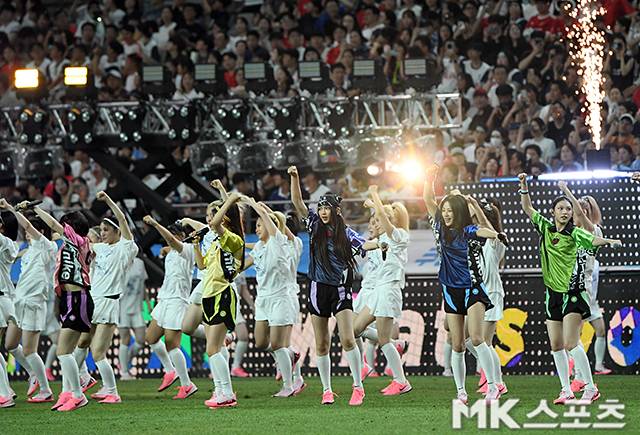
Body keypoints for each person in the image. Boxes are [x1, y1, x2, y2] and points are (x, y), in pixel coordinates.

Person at [517, 174, 622, 404]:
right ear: (553, 212)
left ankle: (591, 387)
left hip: (574, 293)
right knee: (556, 344)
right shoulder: (545, 228)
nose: (565, 212)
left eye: (568, 209)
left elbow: (592, 239)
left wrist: (609, 242)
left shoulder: (575, 233)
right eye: (560, 208)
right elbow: (527, 208)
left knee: (571, 343)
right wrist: (524, 186)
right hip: (552, 294)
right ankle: (566, 390)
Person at [423, 166, 509, 404]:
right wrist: (429, 178)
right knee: (458, 344)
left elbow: (482, 230)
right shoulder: (439, 227)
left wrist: (496, 235)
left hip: (473, 288)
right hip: (450, 290)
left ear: (458, 212)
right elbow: (428, 199)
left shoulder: (468, 230)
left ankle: (493, 386)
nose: (446, 214)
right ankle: (461, 391)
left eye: (450, 210)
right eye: (444, 210)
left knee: (478, 339)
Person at [289, 165, 369, 406]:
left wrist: (381, 244)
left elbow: (365, 244)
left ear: (336, 210)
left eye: (327, 208)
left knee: (348, 339)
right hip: (318, 289)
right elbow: (297, 202)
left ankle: (358, 387)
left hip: (341, 289)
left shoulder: (346, 232)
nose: (323, 212)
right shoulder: (314, 225)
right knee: (321, 344)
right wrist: (295, 178)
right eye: (321, 208)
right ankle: (327, 390)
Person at [33, 206, 93, 412]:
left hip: (78, 298)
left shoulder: (79, 241)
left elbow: (52, 223)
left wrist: (36, 209)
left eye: (65, 225)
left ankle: (78, 395)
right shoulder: (73, 243)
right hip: (69, 298)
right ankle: (68, 392)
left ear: (72, 227)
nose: (61, 229)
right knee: (67, 351)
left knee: (63, 351)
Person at [354, 187, 412, 396]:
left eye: (381, 219)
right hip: (378, 291)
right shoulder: (380, 240)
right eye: (376, 220)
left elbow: (385, 224)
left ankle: (401, 381)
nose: (377, 223)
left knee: (384, 340)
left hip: (389, 291)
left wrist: (374, 197)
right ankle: (396, 346)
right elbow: (363, 246)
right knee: (354, 329)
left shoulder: (399, 235)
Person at [0, 201, 58, 404]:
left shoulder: (47, 246)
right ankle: (32, 373)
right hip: (19, 301)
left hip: (34, 302)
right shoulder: (28, 250)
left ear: (40, 231)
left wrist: (11, 208)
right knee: (10, 344)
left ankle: (46, 390)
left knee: (29, 350)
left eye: (30, 230)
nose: (26, 233)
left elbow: (27, 225)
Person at [240, 198, 299, 397]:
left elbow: (270, 224)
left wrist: (256, 206)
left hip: (281, 298)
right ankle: (290, 355)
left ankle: (288, 386)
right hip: (263, 300)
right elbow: (244, 262)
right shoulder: (259, 247)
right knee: (260, 342)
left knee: (277, 344)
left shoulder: (278, 242)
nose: (257, 229)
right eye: (256, 225)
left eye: (259, 225)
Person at [84, 192, 138, 404]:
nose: (102, 233)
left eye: (106, 230)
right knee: (82, 343)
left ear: (118, 231)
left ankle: (113, 392)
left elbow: (122, 219)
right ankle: (86, 381)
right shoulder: (99, 248)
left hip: (108, 302)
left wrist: (107, 200)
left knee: (98, 352)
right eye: (101, 230)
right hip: (93, 301)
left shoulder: (125, 248)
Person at [194, 193, 245, 408]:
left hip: (222, 293)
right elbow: (202, 265)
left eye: (215, 215)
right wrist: (196, 244)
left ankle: (227, 393)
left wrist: (230, 200)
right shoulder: (216, 241)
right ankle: (221, 391)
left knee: (213, 348)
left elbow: (215, 224)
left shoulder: (233, 239)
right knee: (213, 348)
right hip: (209, 294)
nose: (211, 220)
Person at [142, 216, 198, 400]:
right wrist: (166, 249)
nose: (169, 239)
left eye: (174, 235)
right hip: (164, 299)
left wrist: (155, 224)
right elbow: (170, 245)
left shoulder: (188, 249)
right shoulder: (171, 251)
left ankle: (187, 384)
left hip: (177, 301)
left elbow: (173, 242)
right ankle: (169, 370)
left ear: (182, 236)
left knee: (172, 344)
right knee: (151, 338)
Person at [474, 199, 508, 397]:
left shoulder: (496, 239)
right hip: (481, 295)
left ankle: (496, 382)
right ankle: (491, 378)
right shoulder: (481, 241)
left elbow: (485, 225)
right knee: (477, 341)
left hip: (492, 294)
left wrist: (474, 204)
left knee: (485, 343)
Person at [0, 210, 19, 408]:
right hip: (5, 298)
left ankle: (4, 394)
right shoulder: (11, 244)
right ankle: (6, 390)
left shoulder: (4, 242)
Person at [118, 254, 149, 380]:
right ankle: (124, 373)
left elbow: (143, 284)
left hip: (137, 307)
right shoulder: (119, 262)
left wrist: (148, 303)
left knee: (141, 340)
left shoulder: (140, 263)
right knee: (124, 339)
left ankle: (125, 360)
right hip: (122, 307)